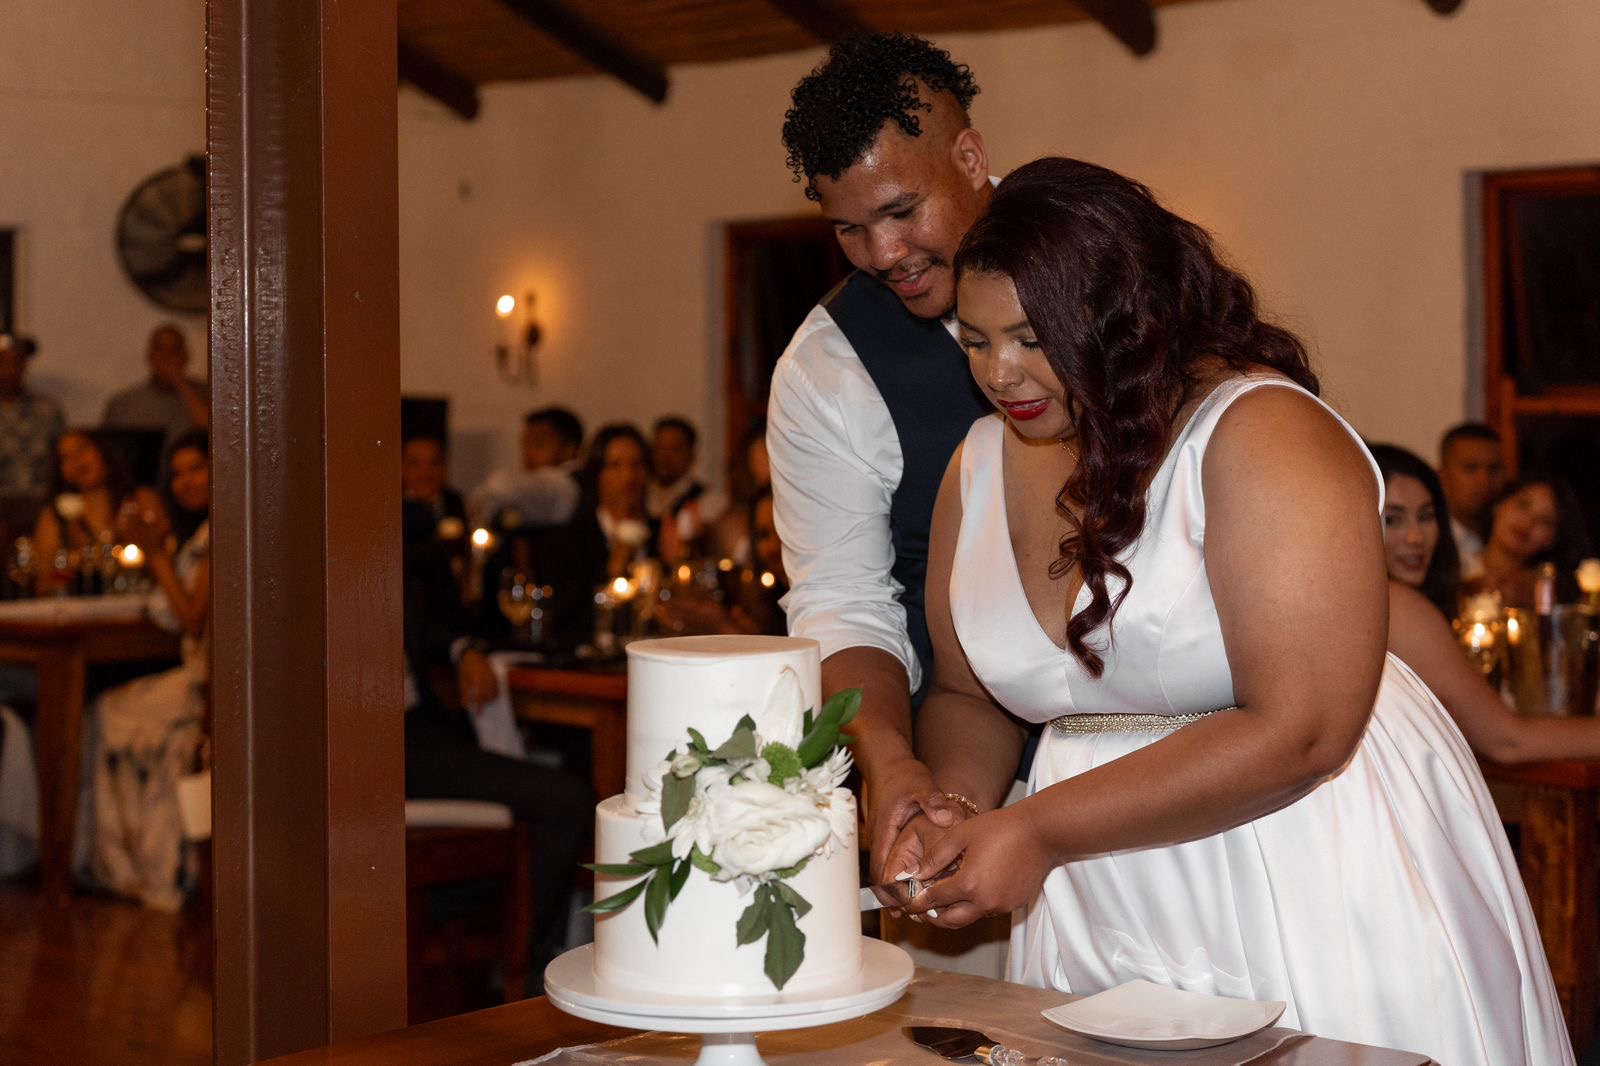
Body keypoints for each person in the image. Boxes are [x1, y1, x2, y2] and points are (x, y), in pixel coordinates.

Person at [884, 158, 1569, 1065]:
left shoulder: (1262, 432)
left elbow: (1304, 729)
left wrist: (1035, 830)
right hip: (1091, 892)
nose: (1000, 373)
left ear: (1127, 317)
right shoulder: (976, 463)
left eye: (1032, 337)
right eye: (975, 341)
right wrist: (956, 811)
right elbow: (969, 694)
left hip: (1294, 853)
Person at [769, 32, 996, 875]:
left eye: (902, 211)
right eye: (850, 230)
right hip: (961, 768)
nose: (884, 255)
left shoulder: (1108, 265)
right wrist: (891, 762)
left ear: (970, 158)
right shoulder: (826, 368)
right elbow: (843, 600)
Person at [402, 496, 591, 974]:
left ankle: (510, 950)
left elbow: (418, 630)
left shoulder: (376, 558)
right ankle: (527, 965)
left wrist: (463, 648)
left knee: (560, 792)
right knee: (566, 800)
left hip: (422, 734)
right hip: (391, 747)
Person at [1373, 443, 1600, 762]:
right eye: (1392, 520)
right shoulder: (1397, 605)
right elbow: (1507, 740)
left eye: (1426, 516)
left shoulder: (1377, 601)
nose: (1415, 537)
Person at [83, 431, 211, 910]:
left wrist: (154, 553)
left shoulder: (221, 532)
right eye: (176, 474)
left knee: (107, 714)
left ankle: (139, 868)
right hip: (194, 672)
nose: (186, 481)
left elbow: (194, 619)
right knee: (107, 709)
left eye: (197, 468)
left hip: (211, 683)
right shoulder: (199, 534)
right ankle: (123, 864)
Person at [530, 424, 655, 651]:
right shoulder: (567, 540)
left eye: (637, 465)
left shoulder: (662, 533)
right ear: (597, 474)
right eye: (616, 466)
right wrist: (614, 567)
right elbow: (565, 622)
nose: (628, 476)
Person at [33, 429, 165, 594]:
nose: (77, 460)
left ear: (103, 451)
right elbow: (43, 586)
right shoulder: (55, 517)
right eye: (66, 457)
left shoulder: (142, 500)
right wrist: (74, 561)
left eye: (83, 448)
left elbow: (167, 561)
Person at [1464, 474, 1588, 607]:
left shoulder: (1548, 594)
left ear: (1552, 538)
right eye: (1523, 505)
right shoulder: (1457, 566)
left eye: (1544, 520)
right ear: (1499, 504)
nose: (1528, 522)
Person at [469, 406, 583, 531]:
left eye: (539, 444)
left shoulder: (564, 483)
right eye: (525, 444)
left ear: (569, 450)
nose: (528, 453)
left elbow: (503, 487)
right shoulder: (528, 481)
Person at [101, 324, 209, 449]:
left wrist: (181, 384)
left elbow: (215, 434)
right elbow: (107, 448)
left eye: (173, 352)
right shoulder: (122, 404)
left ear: (186, 356)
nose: (166, 358)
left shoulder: (208, 395)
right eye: (161, 350)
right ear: (150, 356)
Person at [648, 416, 726, 559]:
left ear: (692, 455)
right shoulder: (641, 497)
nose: (665, 457)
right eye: (660, 447)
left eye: (675, 449)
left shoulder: (708, 502)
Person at [0, 332, 65, 502]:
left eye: (16, 362)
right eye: (3, 361)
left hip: (41, 505)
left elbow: (62, 461)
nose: (9, 370)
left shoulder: (47, 410)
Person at [1436, 422, 1504, 574]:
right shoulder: (1432, 541)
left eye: (1493, 468)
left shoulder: (1513, 537)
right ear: (1443, 476)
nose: (1484, 480)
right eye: (1471, 468)